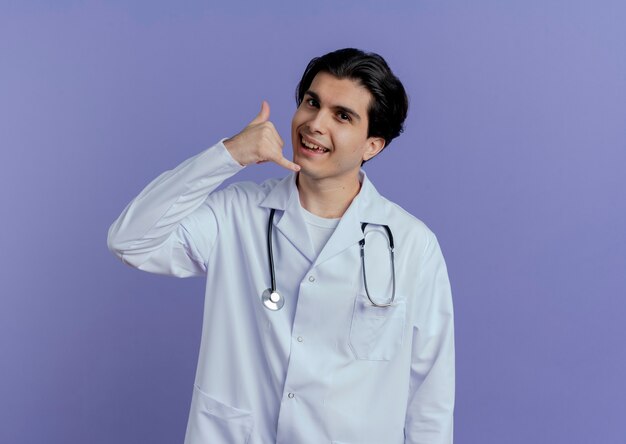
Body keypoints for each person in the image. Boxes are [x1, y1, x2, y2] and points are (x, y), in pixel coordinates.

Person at [108, 48, 454, 444]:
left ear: (372, 145)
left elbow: (430, 396)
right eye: (312, 102)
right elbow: (129, 240)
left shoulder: (411, 244)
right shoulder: (236, 214)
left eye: (342, 115)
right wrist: (229, 155)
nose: (315, 124)